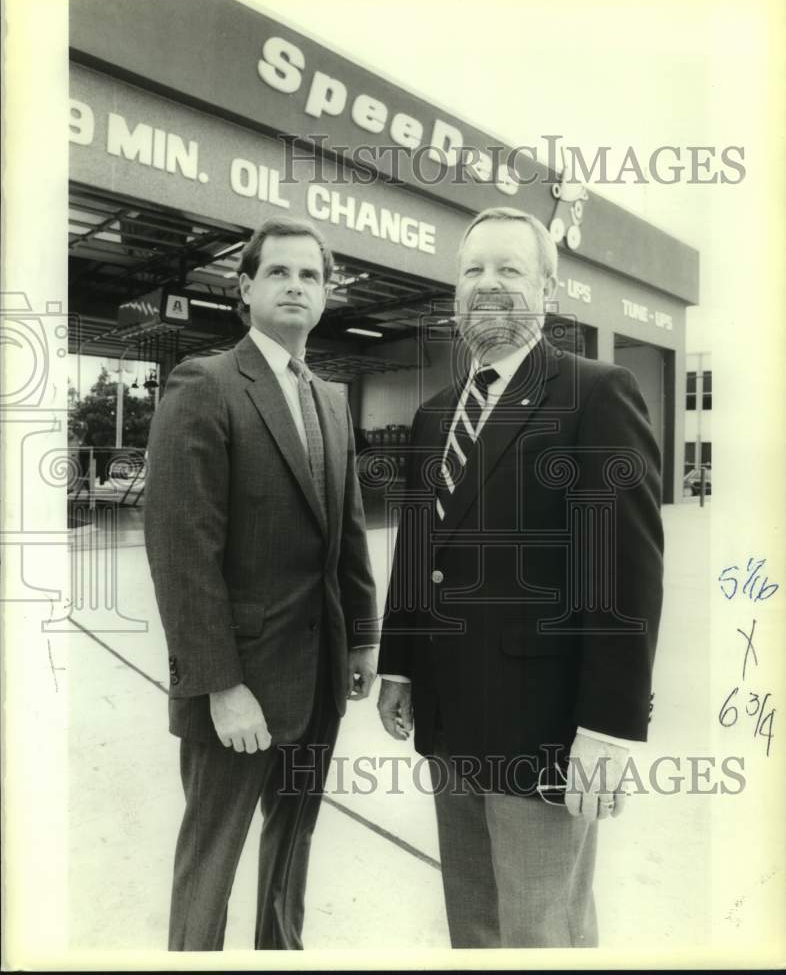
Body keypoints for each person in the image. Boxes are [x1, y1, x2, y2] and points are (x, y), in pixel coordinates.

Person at [377, 206, 663, 948]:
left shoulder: (596, 394)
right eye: (473, 271)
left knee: (543, 930)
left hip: (544, 729)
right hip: (449, 722)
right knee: (473, 924)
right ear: (454, 295)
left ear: (548, 290)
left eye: (510, 269)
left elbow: (626, 572)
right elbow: (418, 549)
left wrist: (606, 728)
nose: (489, 285)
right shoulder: (435, 417)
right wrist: (400, 666)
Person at [144, 216, 378, 951]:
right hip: (236, 687)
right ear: (245, 288)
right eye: (279, 273)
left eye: (311, 276)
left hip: (317, 677)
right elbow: (182, 551)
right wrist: (220, 683)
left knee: (291, 854)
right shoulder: (206, 384)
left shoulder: (331, 400)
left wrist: (364, 640)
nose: (296, 287)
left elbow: (346, 533)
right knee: (211, 863)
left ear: (327, 295)